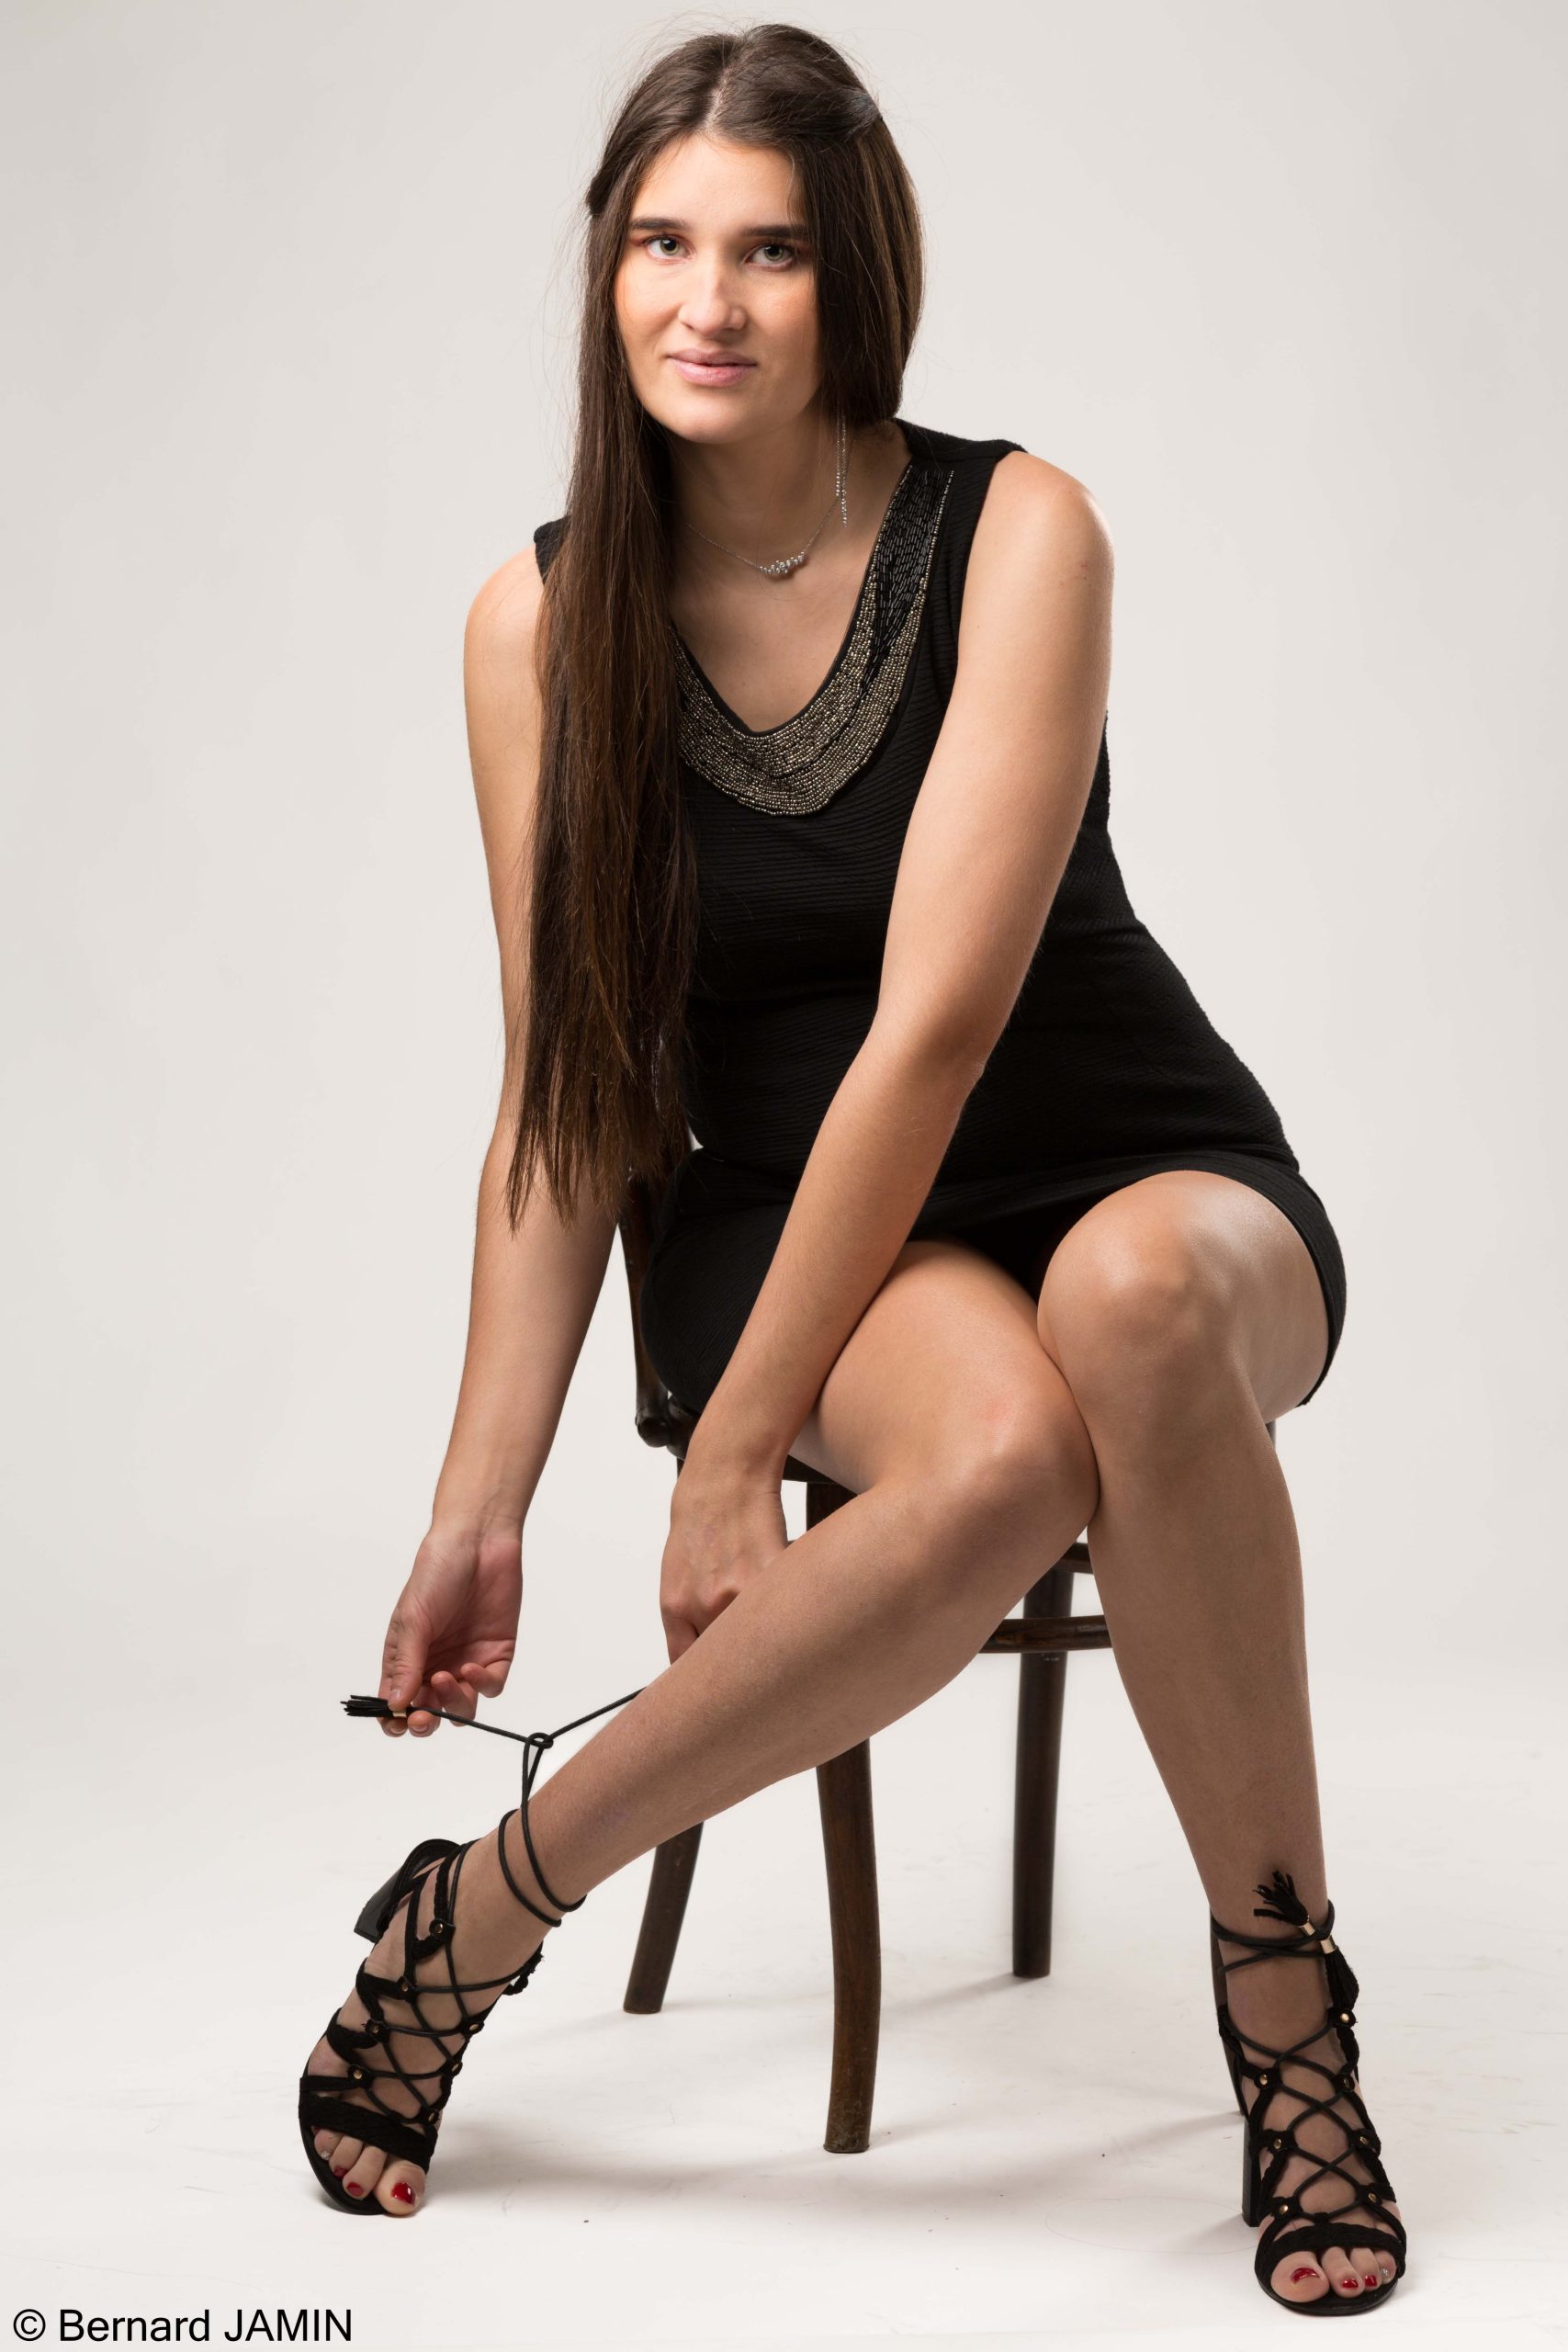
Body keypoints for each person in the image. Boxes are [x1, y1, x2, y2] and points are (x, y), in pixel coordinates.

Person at [298, 21, 1406, 2317]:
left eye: (769, 251)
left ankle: (1285, 2013)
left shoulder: (1015, 528)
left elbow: (935, 1025)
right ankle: (487, 1899)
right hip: (788, 1216)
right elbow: (570, 1091)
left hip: (1123, 1145)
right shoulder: (539, 623)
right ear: (606, 273)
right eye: (660, 244)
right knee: (996, 1454)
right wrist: (478, 1501)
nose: (705, 300)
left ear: (852, 279)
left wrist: (730, 1457)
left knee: (1131, 1312)